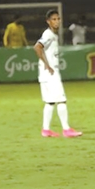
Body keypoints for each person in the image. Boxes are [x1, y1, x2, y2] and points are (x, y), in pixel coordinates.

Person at [33, 10, 83, 138]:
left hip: (44, 74)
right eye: (54, 19)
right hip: (50, 73)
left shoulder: (52, 35)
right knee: (61, 100)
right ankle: (66, 129)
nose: (57, 21)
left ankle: (46, 129)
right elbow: (37, 47)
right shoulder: (48, 34)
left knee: (50, 102)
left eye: (58, 19)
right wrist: (47, 64)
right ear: (48, 21)